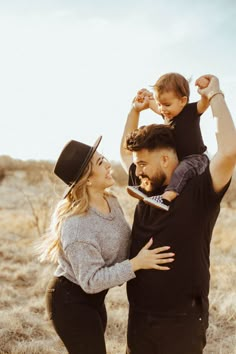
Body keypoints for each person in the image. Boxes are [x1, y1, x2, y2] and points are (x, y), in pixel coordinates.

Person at [120, 74, 236, 354]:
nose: (138, 170)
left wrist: (216, 95)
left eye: (143, 163)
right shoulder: (146, 187)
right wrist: (134, 111)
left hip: (181, 322)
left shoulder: (200, 190)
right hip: (139, 318)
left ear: (165, 159)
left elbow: (230, 151)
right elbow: (126, 153)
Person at [38, 136, 174, 354]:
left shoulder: (111, 201)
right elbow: (91, 281)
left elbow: (125, 243)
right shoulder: (77, 225)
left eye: (104, 158)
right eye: (101, 163)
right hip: (70, 302)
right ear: (88, 180)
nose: (109, 164)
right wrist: (136, 264)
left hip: (96, 300)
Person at [126, 72, 210, 211]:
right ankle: (145, 188)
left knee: (180, 171)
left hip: (195, 159)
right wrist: (146, 96)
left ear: (182, 101)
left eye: (166, 104)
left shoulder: (190, 111)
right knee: (159, 169)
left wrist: (205, 90)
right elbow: (152, 103)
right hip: (180, 159)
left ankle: (166, 198)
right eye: (159, 104)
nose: (162, 109)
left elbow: (204, 103)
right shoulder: (168, 113)